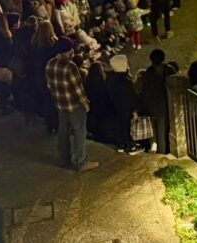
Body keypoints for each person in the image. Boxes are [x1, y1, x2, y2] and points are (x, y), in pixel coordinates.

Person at [45, 37, 99, 172]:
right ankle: (81, 161)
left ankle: (64, 158)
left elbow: (49, 84)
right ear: (66, 51)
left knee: (62, 132)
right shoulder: (70, 67)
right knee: (79, 133)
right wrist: (85, 103)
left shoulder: (50, 64)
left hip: (59, 104)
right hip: (74, 105)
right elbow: (78, 89)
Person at [138, 48, 176, 154]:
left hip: (152, 106)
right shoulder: (169, 71)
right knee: (162, 131)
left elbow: (144, 91)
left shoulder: (148, 74)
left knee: (153, 130)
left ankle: (155, 148)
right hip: (164, 105)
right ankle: (162, 152)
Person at [106, 54, 140, 154]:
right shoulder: (126, 81)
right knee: (126, 126)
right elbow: (131, 96)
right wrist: (134, 109)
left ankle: (120, 144)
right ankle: (129, 146)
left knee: (119, 126)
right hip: (125, 108)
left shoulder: (110, 79)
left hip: (115, 107)